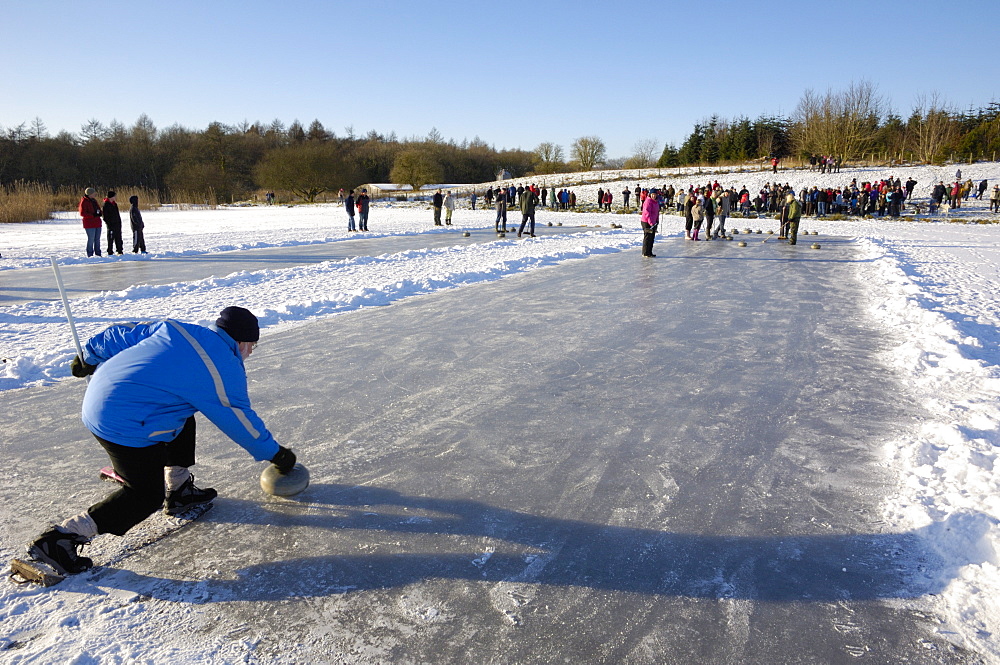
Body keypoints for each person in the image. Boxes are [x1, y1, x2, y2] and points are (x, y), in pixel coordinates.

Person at [23, 307, 297, 578]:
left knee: (182, 411)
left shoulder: (177, 329)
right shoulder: (224, 368)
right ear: (242, 342)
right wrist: (275, 454)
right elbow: (239, 420)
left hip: (101, 399)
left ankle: (178, 490)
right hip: (123, 423)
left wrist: (90, 357)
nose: (250, 353)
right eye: (252, 347)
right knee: (144, 494)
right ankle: (60, 538)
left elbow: (120, 334)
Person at [79, 188, 103, 257]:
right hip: (89, 224)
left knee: (97, 239)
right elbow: (82, 213)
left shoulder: (94, 201)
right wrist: (92, 215)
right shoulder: (84, 201)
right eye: (93, 193)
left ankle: (98, 253)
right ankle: (90, 254)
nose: (95, 194)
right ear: (89, 194)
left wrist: (100, 213)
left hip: (97, 222)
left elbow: (98, 209)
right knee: (91, 239)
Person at [102, 191, 124, 255]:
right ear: (111, 197)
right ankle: (110, 251)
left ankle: (119, 250)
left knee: (118, 237)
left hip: (117, 223)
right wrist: (109, 224)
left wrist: (119, 222)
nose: (115, 197)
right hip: (111, 225)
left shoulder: (114, 204)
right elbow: (105, 216)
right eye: (115, 196)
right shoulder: (106, 204)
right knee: (111, 238)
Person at [640, 188, 660, 257]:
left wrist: (657, 221)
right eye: (652, 194)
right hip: (646, 222)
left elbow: (657, 212)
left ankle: (649, 252)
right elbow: (647, 213)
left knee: (652, 237)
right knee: (647, 237)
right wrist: (651, 222)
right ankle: (645, 252)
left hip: (653, 222)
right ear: (650, 194)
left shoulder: (656, 202)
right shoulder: (648, 201)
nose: (654, 196)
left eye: (655, 194)